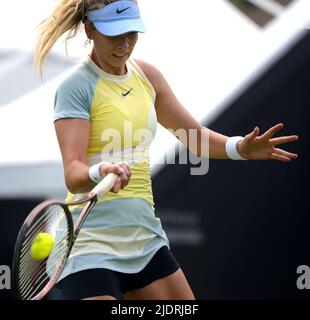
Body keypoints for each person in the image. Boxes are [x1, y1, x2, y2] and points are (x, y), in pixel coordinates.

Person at [34, 0, 298, 300]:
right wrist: (101, 170)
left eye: (131, 33)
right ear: (90, 28)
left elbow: (194, 136)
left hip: (144, 238)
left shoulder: (147, 76)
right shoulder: (75, 87)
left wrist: (239, 148)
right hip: (90, 244)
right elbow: (74, 173)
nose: (124, 44)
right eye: (114, 34)